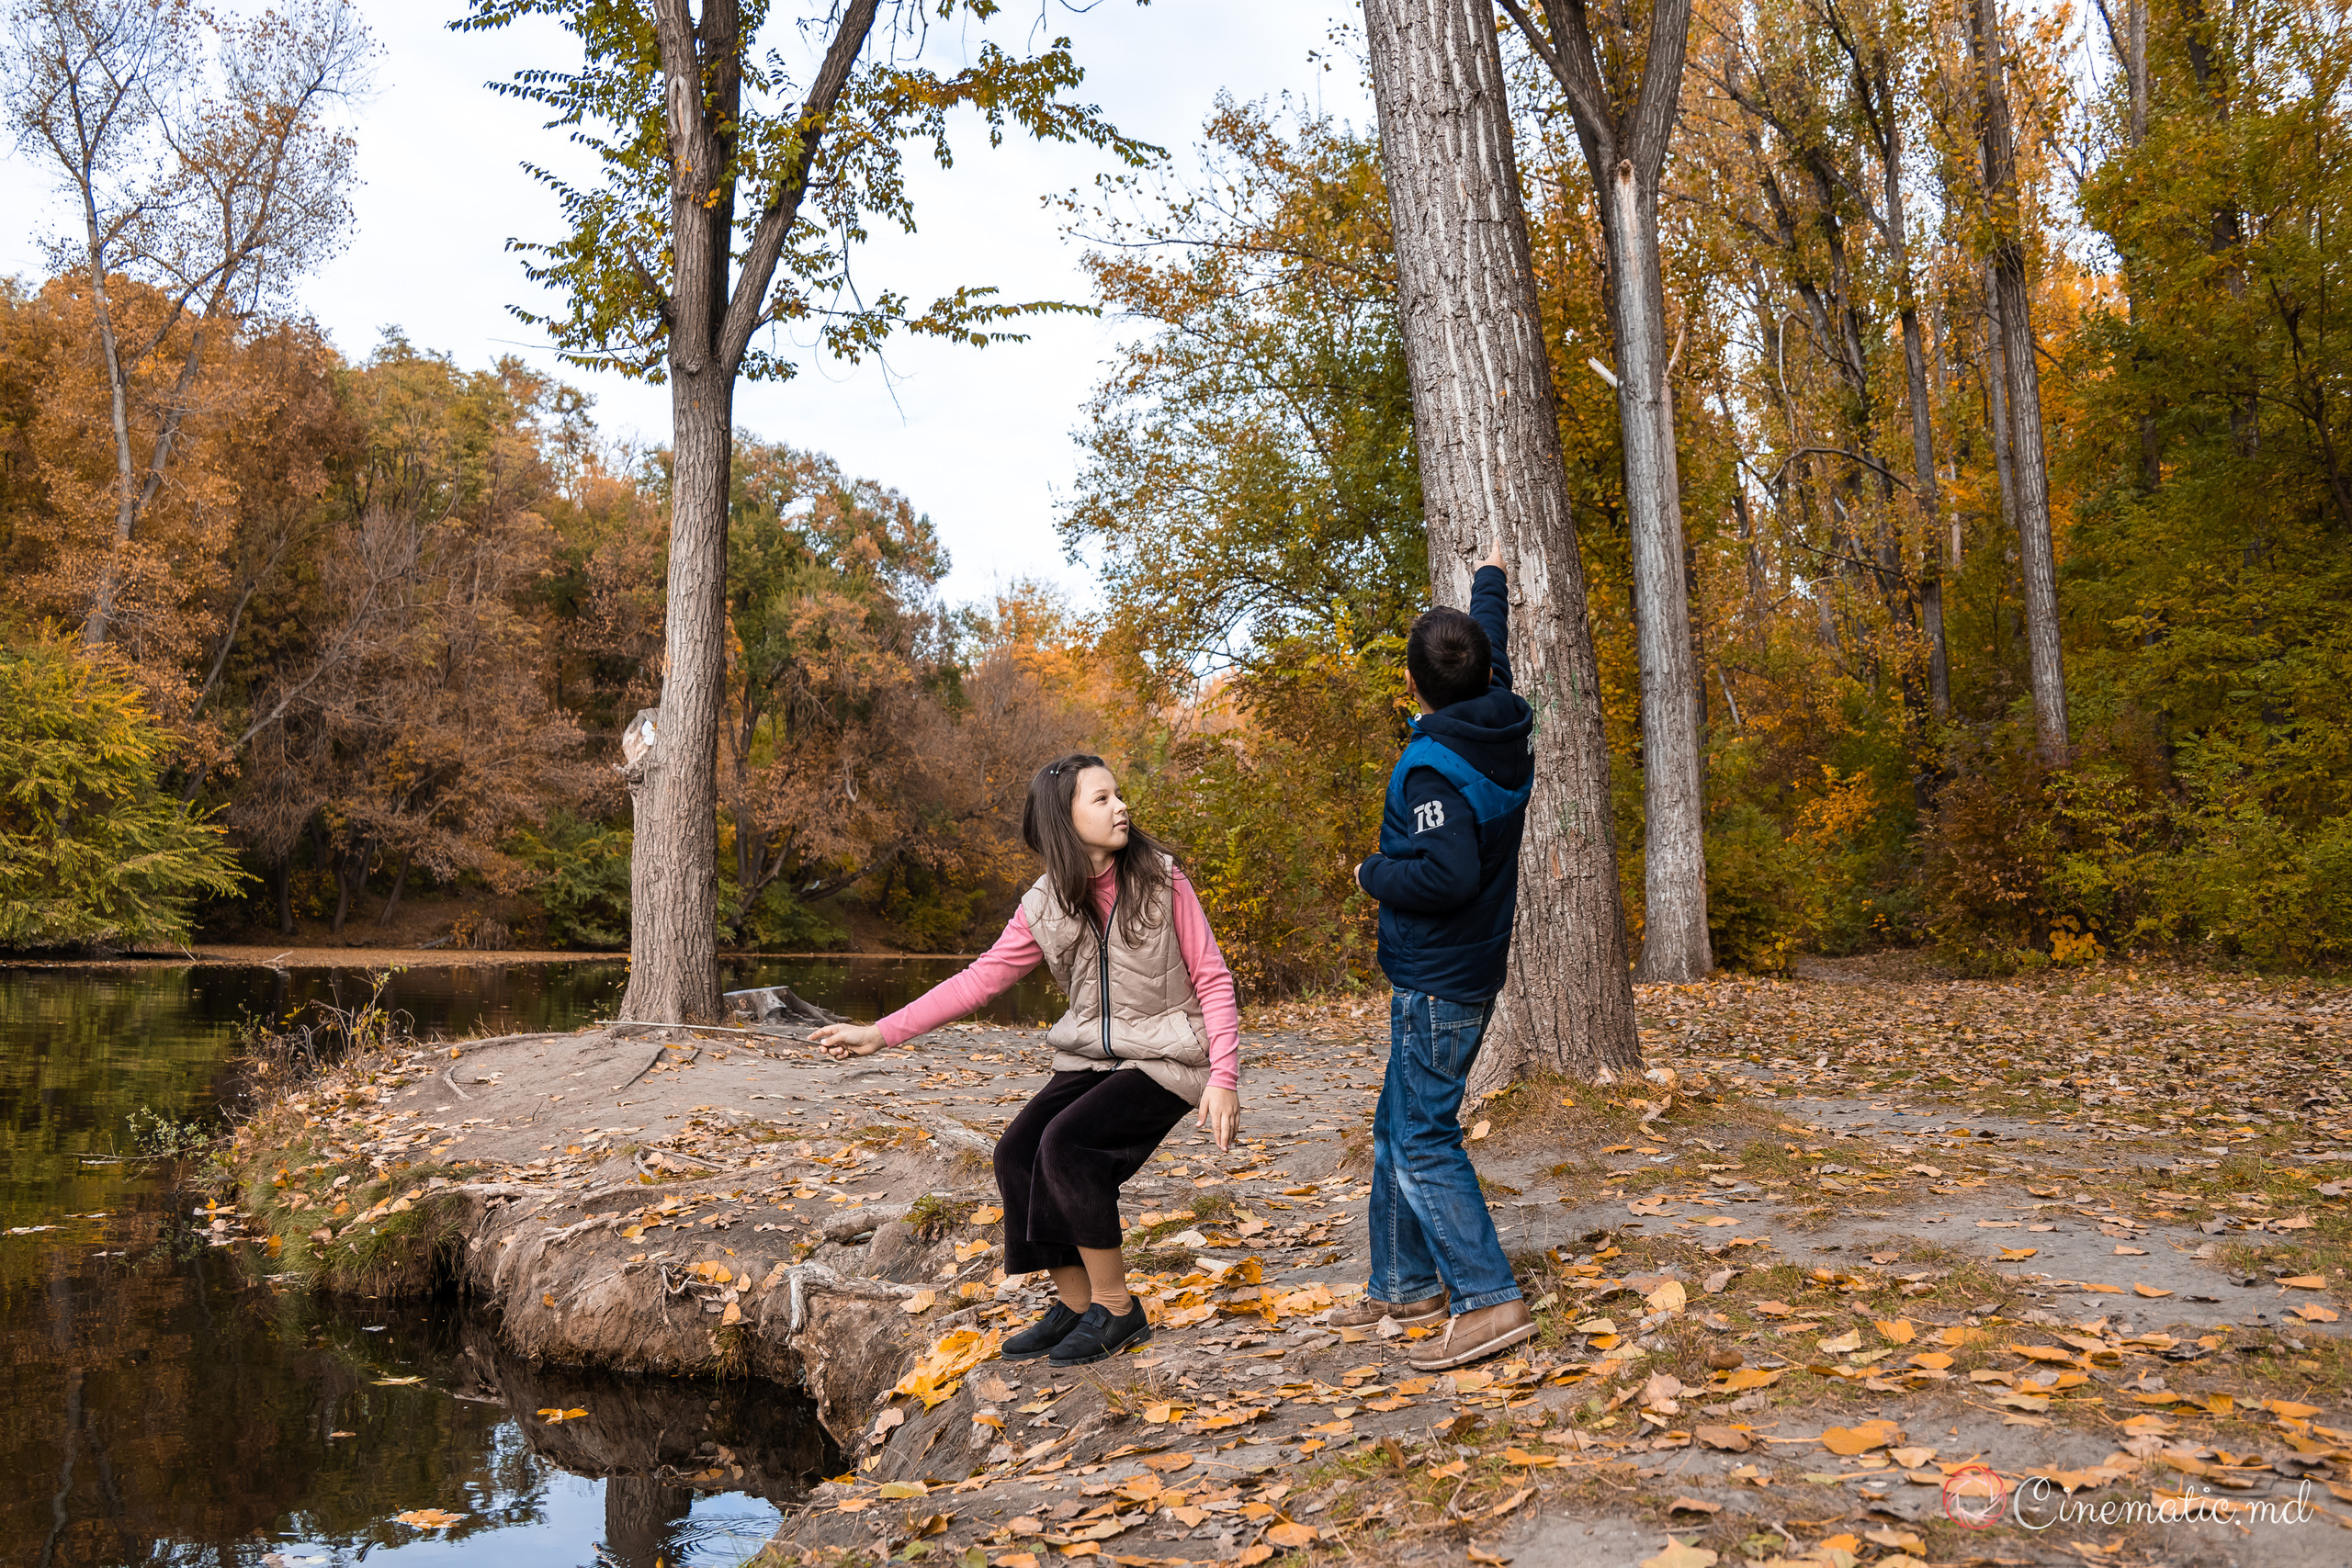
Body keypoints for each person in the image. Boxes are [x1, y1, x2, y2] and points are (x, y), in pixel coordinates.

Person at [808, 754, 1243, 1368]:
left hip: (1171, 1054)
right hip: (1094, 1055)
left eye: (1118, 794)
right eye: (1102, 798)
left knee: (1068, 1144)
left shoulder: (1161, 879)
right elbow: (978, 981)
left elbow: (1214, 979)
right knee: (1017, 1150)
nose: (1121, 807)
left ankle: (1118, 1311)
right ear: (1063, 822)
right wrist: (881, 1032)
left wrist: (1222, 1078)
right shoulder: (1046, 904)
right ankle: (1075, 1301)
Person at [1335, 541, 1538, 1371]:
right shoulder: (1500, 712)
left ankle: (1488, 1299)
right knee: (1397, 1120)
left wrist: (1371, 872)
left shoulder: (1432, 769)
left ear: (1413, 685)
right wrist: (1489, 574)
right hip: (1468, 966)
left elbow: (1447, 873)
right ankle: (1404, 1277)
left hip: (1439, 977)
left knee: (1422, 1135)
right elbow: (1483, 633)